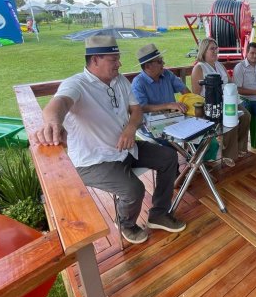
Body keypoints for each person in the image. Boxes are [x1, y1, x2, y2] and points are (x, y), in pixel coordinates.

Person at [34, 35, 185, 245]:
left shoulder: (120, 80)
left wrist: (130, 129)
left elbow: (136, 110)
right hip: (95, 159)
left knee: (168, 156)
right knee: (134, 190)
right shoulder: (76, 84)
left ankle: (158, 214)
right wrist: (52, 122)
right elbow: (59, 104)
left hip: (126, 148)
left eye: (118, 58)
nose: (119, 64)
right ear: (95, 60)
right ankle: (126, 224)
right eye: (113, 59)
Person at [191, 37, 251, 167]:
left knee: (246, 116)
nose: (215, 51)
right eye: (211, 49)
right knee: (231, 119)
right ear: (204, 51)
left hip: (228, 99)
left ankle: (240, 147)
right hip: (212, 105)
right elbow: (196, 94)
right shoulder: (199, 68)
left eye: (216, 48)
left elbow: (229, 81)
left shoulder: (219, 64)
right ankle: (229, 153)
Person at [131, 43, 190, 112]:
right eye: (159, 61)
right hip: (152, 118)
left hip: (173, 115)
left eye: (162, 59)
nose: (163, 63)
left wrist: (191, 101)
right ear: (147, 66)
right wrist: (168, 105)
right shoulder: (138, 83)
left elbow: (185, 90)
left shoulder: (167, 74)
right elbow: (142, 107)